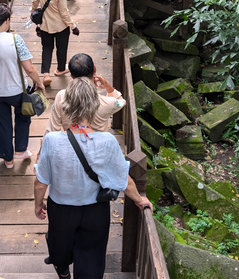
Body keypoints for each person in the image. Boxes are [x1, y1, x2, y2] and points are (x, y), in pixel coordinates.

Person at [34, 77, 153, 279]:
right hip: (94, 210)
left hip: (61, 208)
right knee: (91, 254)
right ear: (94, 105)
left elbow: (40, 182)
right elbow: (124, 178)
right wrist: (139, 200)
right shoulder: (107, 141)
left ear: (66, 105)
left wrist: (38, 205)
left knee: (59, 245)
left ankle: (62, 270)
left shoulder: (52, 141)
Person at [0, 3, 45, 169]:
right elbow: (29, 68)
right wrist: (38, 82)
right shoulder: (15, 39)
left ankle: (8, 159)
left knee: (1, 124)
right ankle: (20, 150)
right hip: (16, 90)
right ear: (7, 20)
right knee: (23, 116)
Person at [44, 53, 125, 134]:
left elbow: (51, 131)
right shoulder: (107, 103)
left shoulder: (61, 97)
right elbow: (121, 101)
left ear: (72, 75)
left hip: (71, 144)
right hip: (98, 145)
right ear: (94, 69)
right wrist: (108, 86)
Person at [31, 0, 79, 86]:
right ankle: (60, 69)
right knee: (61, 48)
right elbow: (64, 14)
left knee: (47, 48)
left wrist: (32, 12)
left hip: (45, 26)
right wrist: (73, 26)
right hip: (60, 27)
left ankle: (46, 73)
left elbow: (35, 1)